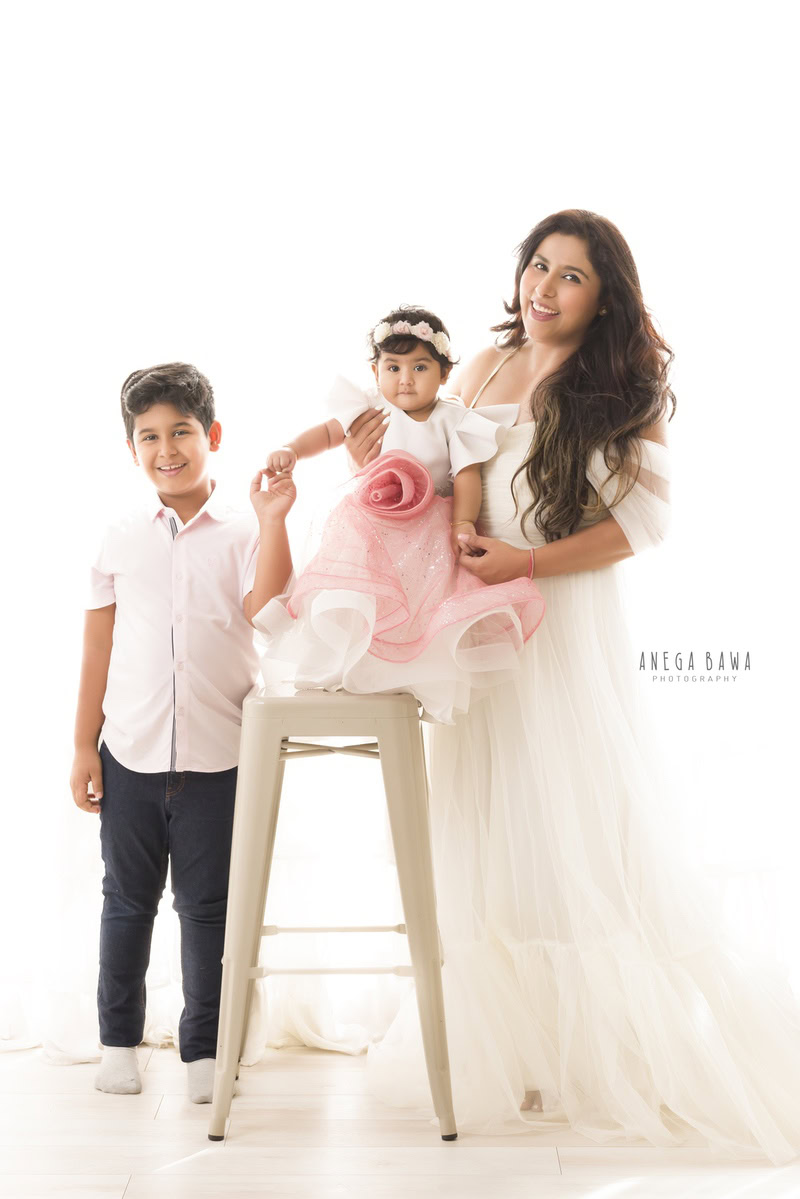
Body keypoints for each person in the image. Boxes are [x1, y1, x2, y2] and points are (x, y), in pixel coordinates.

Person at [351, 213, 800, 1163]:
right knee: (483, 815)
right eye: (537, 268)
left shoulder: (620, 386)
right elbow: (444, 486)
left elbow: (643, 526)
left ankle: (592, 1048)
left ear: (606, 297)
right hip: (478, 628)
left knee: (574, 820)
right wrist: (382, 472)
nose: (543, 289)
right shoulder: (474, 366)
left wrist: (528, 561)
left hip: (559, 620)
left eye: (570, 277)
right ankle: (509, 1048)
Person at [69, 363, 295, 1102]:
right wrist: (82, 744)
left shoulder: (240, 531)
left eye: (182, 433)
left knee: (208, 909)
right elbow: (97, 646)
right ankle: (118, 1045)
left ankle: (204, 1049)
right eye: (150, 436)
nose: (167, 448)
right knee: (125, 903)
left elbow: (267, 611)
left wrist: (273, 522)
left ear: (213, 437)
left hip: (221, 758)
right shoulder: (119, 536)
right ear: (132, 448)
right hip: (128, 753)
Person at [256, 306, 544, 723]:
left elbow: (466, 476)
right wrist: (293, 450)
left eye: (420, 367)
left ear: (444, 374)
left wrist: (463, 522)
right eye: (392, 367)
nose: (404, 379)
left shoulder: (455, 420)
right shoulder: (373, 409)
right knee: (357, 594)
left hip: (427, 526)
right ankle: (346, 663)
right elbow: (329, 433)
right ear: (376, 373)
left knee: (416, 606)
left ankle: (404, 672)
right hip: (369, 524)